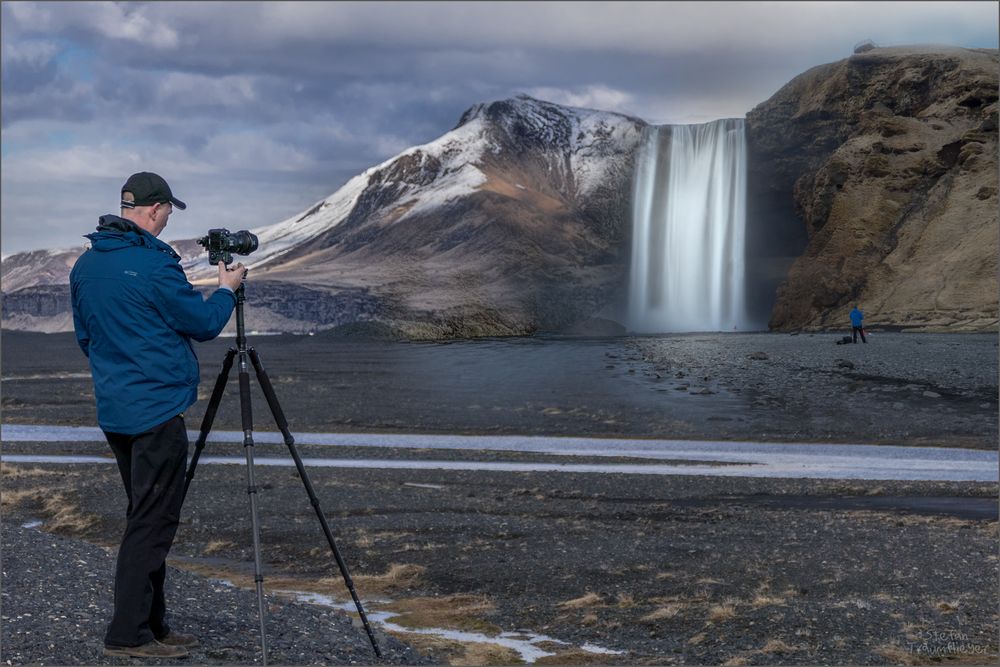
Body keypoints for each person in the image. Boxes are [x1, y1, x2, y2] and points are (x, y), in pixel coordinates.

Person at [70, 172, 247, 659]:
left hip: (117, 410)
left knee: (144, 514)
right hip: (157, 410)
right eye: (169, 210)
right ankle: (127, 634)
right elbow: (204, 324)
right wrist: (227, 289)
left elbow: (86, 339)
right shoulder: (153, 265)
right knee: (151, 523)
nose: (170, 218)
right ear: (153, 209)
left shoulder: (85, 265)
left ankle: (153, 624)